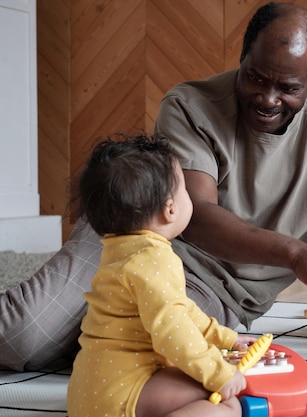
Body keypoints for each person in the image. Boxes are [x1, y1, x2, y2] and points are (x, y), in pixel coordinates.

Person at [0, 1, 307, 371]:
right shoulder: (190, 105)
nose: (268, 99)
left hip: (216, 287)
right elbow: (195, 218)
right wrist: (297, 253)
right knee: (18, 337)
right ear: (243, 57)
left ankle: (84, 337)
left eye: (289, 88)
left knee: (146, 358)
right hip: (130, 239)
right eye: (256, 78)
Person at [66, 133, 257, 417]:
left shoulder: (119, 250)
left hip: (90, 391)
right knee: (226, 403)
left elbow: (182, 310)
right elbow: (172, 330)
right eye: (184, 190)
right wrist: (218, 373)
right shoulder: (155, 257)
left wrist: (225, 339)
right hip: (124, 393)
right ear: (170, 209)